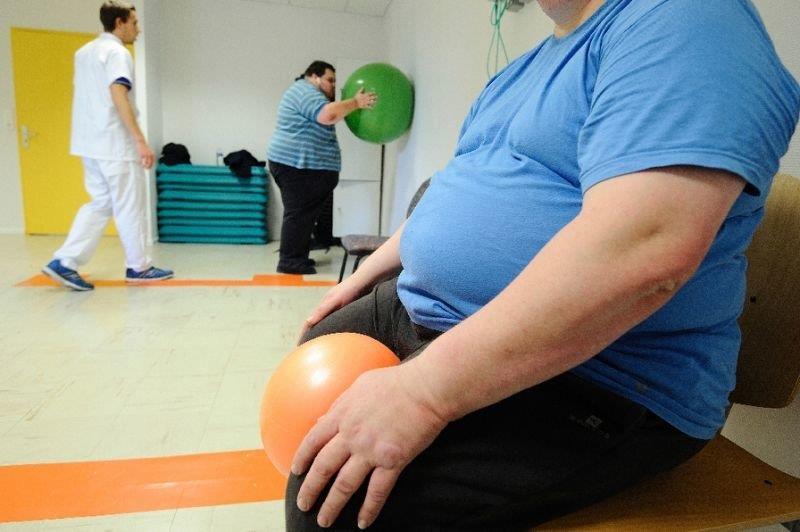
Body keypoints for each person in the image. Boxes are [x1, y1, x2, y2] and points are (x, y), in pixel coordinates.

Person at [283, 0, 800, 530]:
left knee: (333, 508)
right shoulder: (523, 70)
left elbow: (644, 250)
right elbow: (461, 185)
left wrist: (422, 393)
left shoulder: (688, 19)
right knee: (318, 354)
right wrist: (374, 268)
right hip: (442, 312)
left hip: (601, 372)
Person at [42, 1, 173, 291]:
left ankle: (64, 261)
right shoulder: (117, 53)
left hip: (89, 143)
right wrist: (140, 141)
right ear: (119, 23)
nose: (138, 29)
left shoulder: (84, 52)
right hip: (115, 144)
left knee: (101, 203)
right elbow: (118, 94)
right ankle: (139, 267)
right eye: (134, 23)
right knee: (129, 205)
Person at [267, 61, 376, 275]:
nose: (333, 85)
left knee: (304, 215)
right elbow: (327, 115)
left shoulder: (308, 93)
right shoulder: (305, 91)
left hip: (301, 166)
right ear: (314, 77)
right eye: (330, 80)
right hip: (296, 166)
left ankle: (297, 256)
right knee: (299, 214)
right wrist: (356, 102)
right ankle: (290, 261)